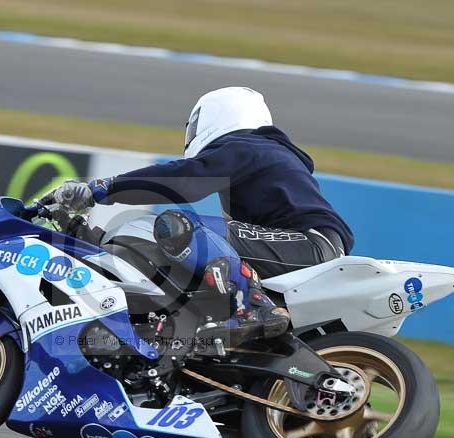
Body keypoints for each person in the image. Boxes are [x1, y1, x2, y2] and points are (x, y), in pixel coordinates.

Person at [41, 86, 354, 347]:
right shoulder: (259, 155)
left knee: (180, 227)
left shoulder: (249, 146)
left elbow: (184, 180)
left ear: (221, 114)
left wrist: (103, 189)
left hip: (307, 245)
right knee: (197, 262)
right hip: (300, 248)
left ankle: (254, 308)